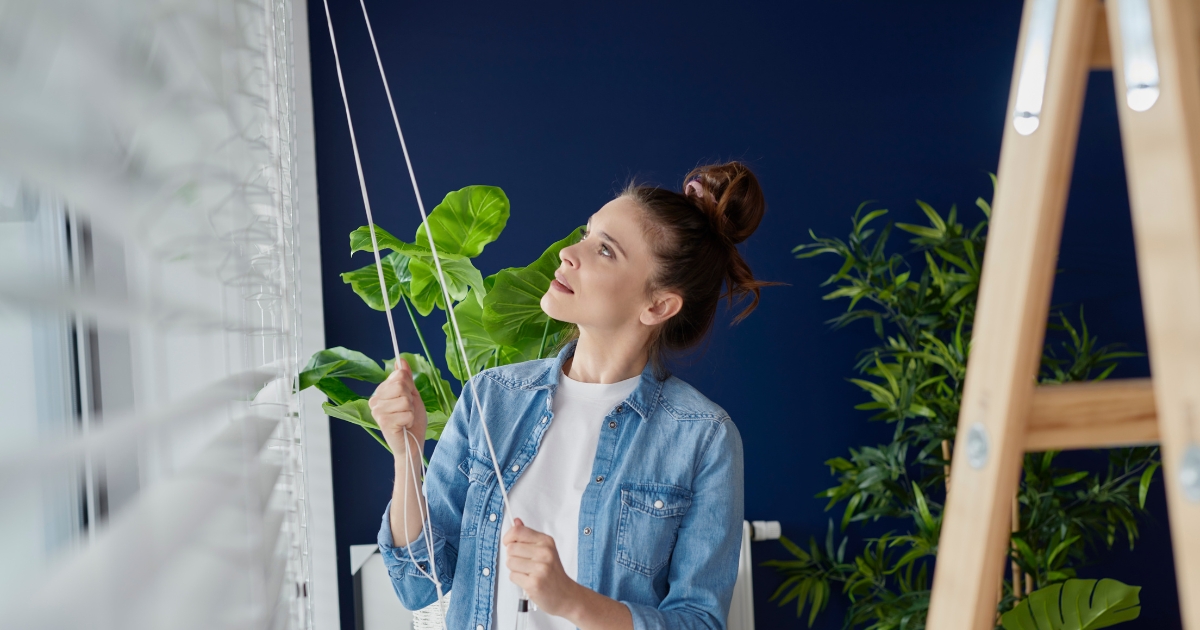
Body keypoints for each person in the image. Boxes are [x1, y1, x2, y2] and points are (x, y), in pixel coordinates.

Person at [370, 161, 775, 629]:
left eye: (605, 250)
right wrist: (406, 456)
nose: (568, 253)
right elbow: (418, 584)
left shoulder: (703, 439)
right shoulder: (492, 397)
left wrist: (570, 601)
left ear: (658, 305)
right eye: (587, 233)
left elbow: (699, 621)